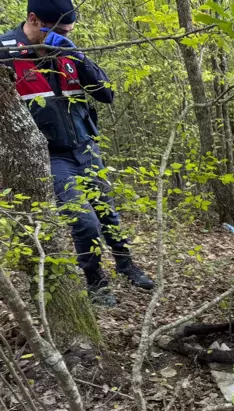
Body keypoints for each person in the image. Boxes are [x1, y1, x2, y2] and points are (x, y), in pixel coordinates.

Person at [0, 0, 153, 306]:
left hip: (85, 146)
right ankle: (95, 280)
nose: (65, 35)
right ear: (33, 19)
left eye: (69, 31)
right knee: (84, 221)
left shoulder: (68, 53)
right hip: (50, 155)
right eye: (59, 30)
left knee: (107, 212)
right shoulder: (5, 52)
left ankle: (126, 265)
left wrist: (77, 55)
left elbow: (106, 94)